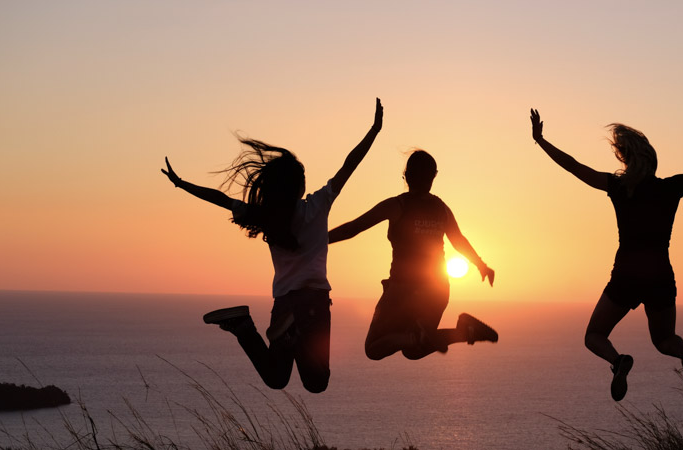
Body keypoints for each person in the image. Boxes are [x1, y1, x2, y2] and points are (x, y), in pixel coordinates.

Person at [530, 109, 683, 400]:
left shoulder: (618, 187)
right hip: (660, 274)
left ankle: (618, 362)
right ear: (653, 161)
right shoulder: (671, 188)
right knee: (665, 339)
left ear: (625, 159)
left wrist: (541, 140)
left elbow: (574, 167)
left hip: (626, 274)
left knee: (594, 336)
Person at [161, 98, 383, 393]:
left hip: (284, 305)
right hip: (313, 303)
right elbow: (349, 165)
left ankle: (244, 327)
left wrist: (182, 184)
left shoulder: (265, 216)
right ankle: (292, 334)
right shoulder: (318, 205)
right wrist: (374, 130)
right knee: (317, 382)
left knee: (277, 378)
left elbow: (220, 199)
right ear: (300, 186)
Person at [328, 150, 498, 361]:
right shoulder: (441, 208)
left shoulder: (397, 205)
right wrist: (481, 265)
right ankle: (463, 331)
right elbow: (459, 241)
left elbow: (352, 229)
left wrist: (317, 241)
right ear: (433, 177)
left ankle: (418, 336)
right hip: (437, 291)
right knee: (414, 350)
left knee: (374, 348)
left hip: (404, 290)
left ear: (406, 176)